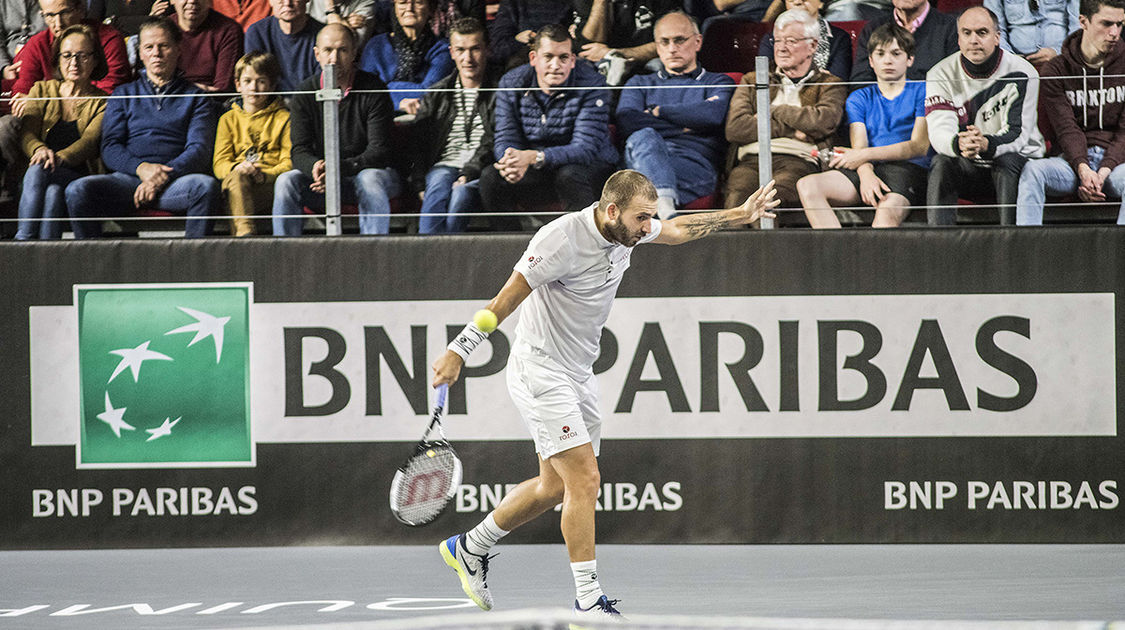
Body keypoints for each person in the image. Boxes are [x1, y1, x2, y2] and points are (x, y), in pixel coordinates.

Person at [432, 170, 779, 618]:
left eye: (649, 217)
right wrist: (459, 350)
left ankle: (469, 547)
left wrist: (739, 214)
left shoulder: (630, 230)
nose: (647, 226)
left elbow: (674, 231)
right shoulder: (559, 240)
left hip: (578, 373)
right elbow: (504, 300)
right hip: (540, 370)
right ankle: (589, 601)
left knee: (553, 486)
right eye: (641, 218)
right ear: (612, 210)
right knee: (585, 480)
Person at [65, 16, 219, 238]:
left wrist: (160, 177)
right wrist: (142, 169)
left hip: (175, 181)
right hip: (127, 180)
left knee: (205, 187)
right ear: (140, 53)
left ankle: (191, 267)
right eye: (149, 47)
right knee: (77, 190)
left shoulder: (196, 97)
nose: (156, 53)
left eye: (163, 46)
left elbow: (199, 150)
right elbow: (110, 147)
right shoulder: (123, 94)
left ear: (178, 50)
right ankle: (93, 268)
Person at [481, 24, 618, 231]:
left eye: (563, 58)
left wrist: (534, 157)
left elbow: (585, 149)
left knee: (569, 175)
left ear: (572, 61)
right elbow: (504, 135)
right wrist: (510, 161)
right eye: (548, 57)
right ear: (533, 58)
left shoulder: (593, 84)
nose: (556, 65)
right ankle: (512, 249)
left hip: (587, 165)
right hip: (538, 166)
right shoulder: (511, 82)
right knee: (491, 178)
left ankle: (585, 247)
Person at [796, 23, 929, 228]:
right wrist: (866, 174)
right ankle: (838, 257)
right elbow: (859, 146)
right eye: (880, 54)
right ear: (871, 61)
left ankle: (872, 261)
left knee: (885, 212)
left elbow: (918, 146)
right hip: (868, 168)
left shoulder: (923, 91)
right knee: (808, 185)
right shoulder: (859, 98)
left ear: (909, 59)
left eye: (896, 53)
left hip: (908, 169)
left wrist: (864, 156)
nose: (888, 60)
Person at [272, 23, 399, 235]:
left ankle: (375, 256)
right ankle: (285, 260)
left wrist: (337, 170)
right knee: (286, 181)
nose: (334, 58)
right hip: (323, 179)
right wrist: (316, 168)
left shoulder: (373, 87)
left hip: (367, 173)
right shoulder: (304, 92)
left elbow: (379, 151)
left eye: (342, 50)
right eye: (328, 50)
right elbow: (299, 150)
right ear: (317, 54)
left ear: (354, 53)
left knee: (370, 179)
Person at [925, 6, 1045, 225]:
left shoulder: (1024, 71)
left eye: (982, 32)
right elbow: (939, 130)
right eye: (966, 33)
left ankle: (1010, 244)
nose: (974, 40)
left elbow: (1018, 135)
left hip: (1013, 165)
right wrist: (959, 143)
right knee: (942, 162)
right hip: (969, 164)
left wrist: (985, 144)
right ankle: (939, 245)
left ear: (997, 37)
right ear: (958, 38)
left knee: (1006, 161)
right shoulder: (939, 74)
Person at [724, 9, 846, 215]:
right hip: (751, 160)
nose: (781, 48)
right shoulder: (752, 80)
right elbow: (735, 128)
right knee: (738, 201)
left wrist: (773, 110)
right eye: (778, 41)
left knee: (769, 201)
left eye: (791, 41)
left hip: (797, 161)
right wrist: (792, 130)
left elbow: (822, 121)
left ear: (813, 45)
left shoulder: (829, 84)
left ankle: (763, 248)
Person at [616, 11, 734, 219]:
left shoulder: (718, 82)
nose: (672, 49)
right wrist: (685, 126)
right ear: (657, 46)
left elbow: (712, 115)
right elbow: (628, 121)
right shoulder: (639, 83)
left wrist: (659, 111)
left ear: (698, 42)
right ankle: (665, 210)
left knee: (639, 178)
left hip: (693, 165)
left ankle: (658, 207)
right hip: (641, 159)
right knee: (645, 138)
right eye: (664, 42)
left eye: (680, 40)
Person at [1017, 0, 1125, 225]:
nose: (1114, 33)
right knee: (1033, 172)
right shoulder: (1056, 69)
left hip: (1116, 166)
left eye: (1120, 24)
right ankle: (1025, 255)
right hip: (1071, 163)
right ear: (1083, 22)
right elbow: (1066, 128)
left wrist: (1103, 171)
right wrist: (1084, 170)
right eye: (1106, 23)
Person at [15, 24, 107, 239]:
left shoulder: (103, 102)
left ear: (94, 60)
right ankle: (47, 261)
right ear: (57, 59)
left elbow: (89, 142)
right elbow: (26, 133)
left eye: (82, 56)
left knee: (40, 170)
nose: (73, 62)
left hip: (79, 176)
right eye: (67, 55)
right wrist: (39, 149)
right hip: (42, 177)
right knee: (53, 192)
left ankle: (22, 243)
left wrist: (55, 158)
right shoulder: (42, 90)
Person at [410, 17, 497, 234]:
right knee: (438, 183)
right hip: (444, 165)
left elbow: (496, 139)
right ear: (452, 52)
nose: (468, 58)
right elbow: (418, 144)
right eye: (461, 50)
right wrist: (419, 183)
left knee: (460, 195)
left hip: (482, 167)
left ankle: (447, 260)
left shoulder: (500, 90)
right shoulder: (438, 93)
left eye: (475, 49)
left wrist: (469, 171)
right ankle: (429, 255)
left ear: (487, 49)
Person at [213, 51, 291, 236]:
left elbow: (289, 163)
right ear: (238, 85)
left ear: (271, 85)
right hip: (236, 185)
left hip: (267, 187)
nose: (254, 87)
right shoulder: (228, 119)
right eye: (247, 81)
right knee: (237, 178)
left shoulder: (285, 118)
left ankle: (244, 241)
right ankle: (246, 235)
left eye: (261, 81)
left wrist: (263, 175)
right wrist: (239, 167)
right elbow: (219, 164)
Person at [359, 0, 452, 114]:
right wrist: (398, 103)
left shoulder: (443, 48)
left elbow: (430, 92)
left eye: (418, 2)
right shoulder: (376, 46)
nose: (409, 8)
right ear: (395, 9)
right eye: (402, 2)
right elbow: (363, 94)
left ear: (430, 10)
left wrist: (387, 87)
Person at [570, 0, 679, 85]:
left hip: (644, 61)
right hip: (601, 64)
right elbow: (588, 46)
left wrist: (613, 53)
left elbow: (670, 44)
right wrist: (601, 2)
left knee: (658, 65)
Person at [851, 0, 957, 85]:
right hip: (883, 107)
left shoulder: (952, 28)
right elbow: (861, 82)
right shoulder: (872, 29)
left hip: (932, 107)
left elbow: (955, 82)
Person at [759, 0, 854, 81]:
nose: (797, 2)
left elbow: (837, 82)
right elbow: (765, 81)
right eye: (791, 0)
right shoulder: (771, 38)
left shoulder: (839, 37)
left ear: (821, 2)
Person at [244, 0, 323, 93]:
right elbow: (256, 80)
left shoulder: (323, 35)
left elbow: (320, 83)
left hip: (310, 103)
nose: (287, 3)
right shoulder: (257, 32)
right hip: (269, 103)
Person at [172, 0, 244, 92]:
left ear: (210, 1)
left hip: (212, 103)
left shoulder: (228, 31)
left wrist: (180, 89)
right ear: (172, 1)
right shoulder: (162, 30)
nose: (192, 1)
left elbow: (222, 89)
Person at [984, 0, 1079, 68]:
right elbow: (994, 29)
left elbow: (1077, 26)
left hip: (1062, 61)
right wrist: (1009, 58)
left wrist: (1059, 52)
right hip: (1014, 63)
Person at [487, 0, 573, 68]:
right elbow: (497, 50)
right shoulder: (512, 3)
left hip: (563, 67)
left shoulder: (572, 4)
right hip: (522, 69)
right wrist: (517, 40)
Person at [309, 0, 375, 44]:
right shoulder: (310, 2)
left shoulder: (366, 2)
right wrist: (344, 24)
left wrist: (332, 13)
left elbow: (352, 46)